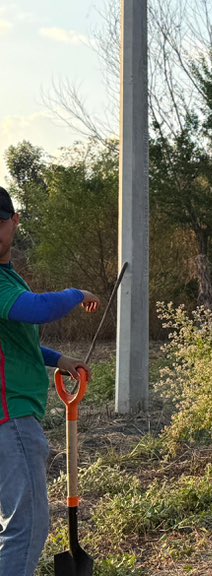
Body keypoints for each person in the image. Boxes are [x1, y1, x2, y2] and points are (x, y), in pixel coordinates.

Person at [0, 185, 101, 576]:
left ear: (14, 222)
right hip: (12, 418)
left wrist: (59, 359)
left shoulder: (8, 279)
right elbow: (36, 310)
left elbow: (15, 344)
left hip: (10, 417)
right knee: (26, 528)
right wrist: (76, 293)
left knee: (14, 524)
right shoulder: (5, 285)